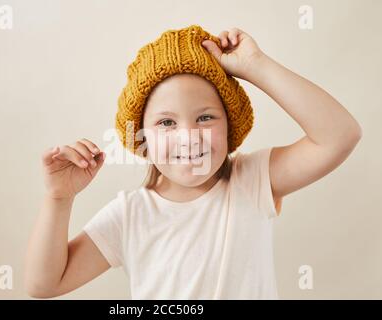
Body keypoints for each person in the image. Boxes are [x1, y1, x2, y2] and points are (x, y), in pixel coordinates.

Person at [25, 25, 362, 299]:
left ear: (230, 124)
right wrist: (59, 198)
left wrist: (255, 66)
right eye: (166, 123)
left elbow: (340, 135)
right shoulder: (131, 214)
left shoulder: (254, 180)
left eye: (204, 117)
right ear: (141, 136)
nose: (188, 137)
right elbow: (44, 284)